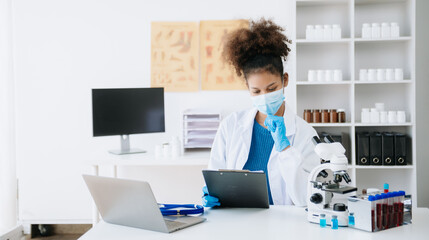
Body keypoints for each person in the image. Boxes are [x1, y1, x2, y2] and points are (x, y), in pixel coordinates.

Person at [202, 19, 320, 207]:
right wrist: (212, 193)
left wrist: (286, 150)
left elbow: (308, 199)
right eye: (256, 91)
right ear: (247, 88)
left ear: (285, 80)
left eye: (271, 88)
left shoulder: (306, 135)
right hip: (238, 223)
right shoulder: (231, 126)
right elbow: (215, 176)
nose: (264, 97)